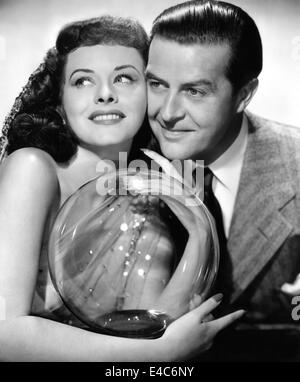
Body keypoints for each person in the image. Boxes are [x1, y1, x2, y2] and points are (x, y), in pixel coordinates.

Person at [0, 15, 244, 361]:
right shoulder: (33, 168)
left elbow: (150, 329)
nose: (104, 95)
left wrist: (198, 232)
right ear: (59, 102)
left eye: (124, 78)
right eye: (83, 81)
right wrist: (162, 355)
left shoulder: (145, 200)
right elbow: (3, 333)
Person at [144, 0, 300, 361]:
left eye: (195, 91)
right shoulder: (121, 156)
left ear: (244, 95)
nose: (167, 113)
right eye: (157, 84)